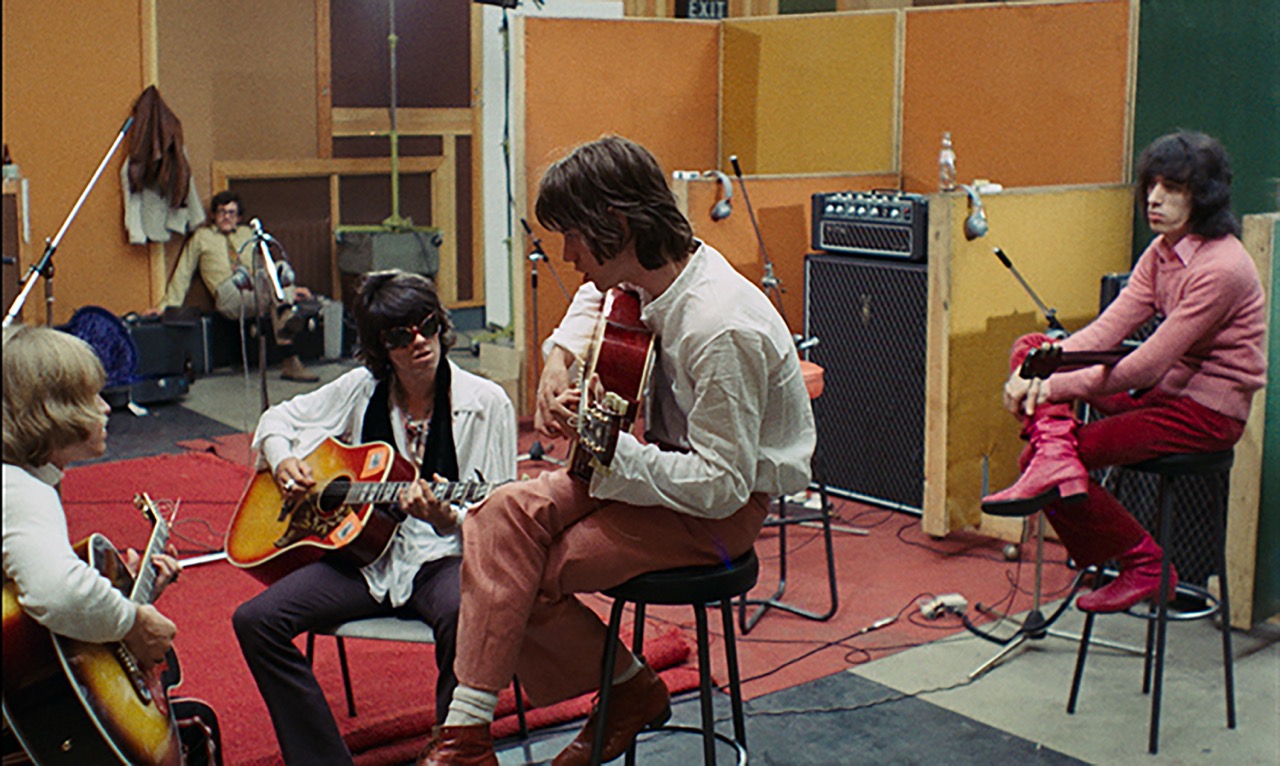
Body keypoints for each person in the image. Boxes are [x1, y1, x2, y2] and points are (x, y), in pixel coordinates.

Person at [419, 136, 817, 766]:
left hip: (715, 511)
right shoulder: (655, 268)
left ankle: (628, 691)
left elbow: (723, 484)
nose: (567, 255)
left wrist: (611, 455)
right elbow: (599, 294)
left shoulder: (720, 327)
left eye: (573, 236)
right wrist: (561, 355)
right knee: (496, 516)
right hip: (647, 466)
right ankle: (466, 735)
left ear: (616, 223)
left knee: (525, 578)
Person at [232, 270, 517, 765]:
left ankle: (454, 751)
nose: (419, 343)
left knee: (464, 612)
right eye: (400, 336)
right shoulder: (361, 389)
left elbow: (500, 513)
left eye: (428, 326)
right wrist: (282, 460)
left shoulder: (485, 403)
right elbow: (279, 418)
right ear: (379, 347)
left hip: (442, 560)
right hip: (364, 562)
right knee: (255, 621)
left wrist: (446, 518)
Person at [982, 131, 1267, 613]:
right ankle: (1056, 453)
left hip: (1205, 413)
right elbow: (1105, 332)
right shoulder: (1160, 252)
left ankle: (1147, 566)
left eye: (1172, 188)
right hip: (1161, 394)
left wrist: (1050, 385)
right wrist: (1038, 368)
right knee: (1033, 347)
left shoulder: (1223, 267)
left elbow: (1147, 364)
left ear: (1204, 195)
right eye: (1151, 185)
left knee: (1040, 463)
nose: (1154, 198)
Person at [2, 324, 220, 766]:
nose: (105, 407)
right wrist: (132, 622)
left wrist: (127, 593)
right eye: (90, 398)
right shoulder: (21, 491)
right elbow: (57, 594)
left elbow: (24, 612)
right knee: (197, 729)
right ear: (51, 411)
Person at [147, 190, 319, 382]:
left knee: (278, 267)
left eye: (231, 213)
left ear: (239, 217)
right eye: (222, 212)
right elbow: (183, 273)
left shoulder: (247, 234)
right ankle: (288, 318)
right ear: (213, 215)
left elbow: (264, 269)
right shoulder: (202, 237)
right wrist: (165, 307)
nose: (227, 217)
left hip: (254, 293)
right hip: (229, 295)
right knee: (272, 293)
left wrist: (291, 288)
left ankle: (290, 354)